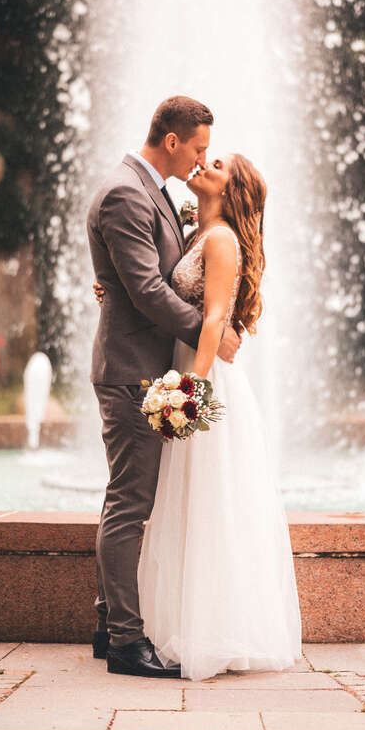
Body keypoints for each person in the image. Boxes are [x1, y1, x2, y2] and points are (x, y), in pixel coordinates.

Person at [94, 152, 302, 680]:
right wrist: (111, 287)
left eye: (219, 163)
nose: (205, 162)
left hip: (198, 381)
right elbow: (151, 283)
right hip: (180, 373)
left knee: (208, 503)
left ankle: (212, 626)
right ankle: (162, 622)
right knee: (177, 502)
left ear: (233, 189)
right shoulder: (193, 230)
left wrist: (190, 389)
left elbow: (214, 321)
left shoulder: (222, 238)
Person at [86, 96, 241, 678]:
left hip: (144, 366)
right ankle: (127, 643)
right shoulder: (128, 191)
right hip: (132, 370)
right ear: (171, 141)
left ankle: (108, 626)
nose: (203, 158)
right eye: (198, 147)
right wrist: (210, 333)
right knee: (130, 505)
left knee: (123, 498)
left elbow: (142, 279)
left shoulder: (150, 191)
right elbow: (148, 291)